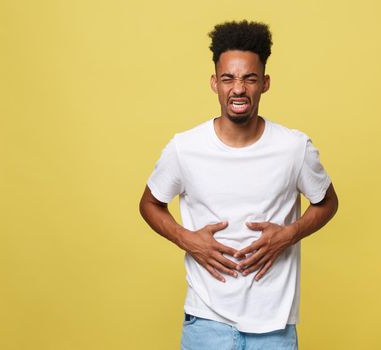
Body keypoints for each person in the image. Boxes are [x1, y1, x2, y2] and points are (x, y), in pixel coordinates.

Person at [139, 20, 339, 350]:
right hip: (206, 322)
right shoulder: (184, 148)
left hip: (274, 327)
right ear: (215, 83)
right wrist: (187, 239)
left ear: (265, 83)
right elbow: (149, 202)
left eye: (249, 78)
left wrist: (288, 235)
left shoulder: (294, 148)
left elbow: (328, 201)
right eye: (229, 78)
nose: (239, 89)